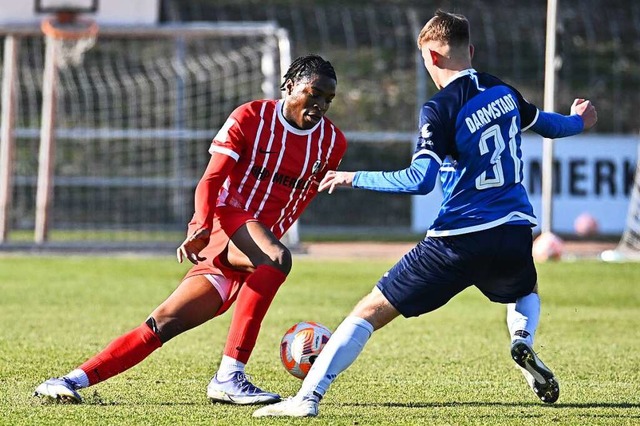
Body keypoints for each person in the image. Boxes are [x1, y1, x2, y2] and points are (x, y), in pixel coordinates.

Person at [253, 10, 598, 418]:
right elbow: (550, 124)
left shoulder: (440, 108)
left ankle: (306, 399)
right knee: (524, 291)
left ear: (432, 57)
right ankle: (522, 339)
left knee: (368, 312)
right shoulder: (502, 91)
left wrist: (352, 177)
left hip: (459, 237)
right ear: (468, 50)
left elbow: (420, 180)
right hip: (515, 230)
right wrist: (579, 120)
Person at [34, 54, 347, 405]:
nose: (320, 105)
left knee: (162, 324)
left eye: (328, 100)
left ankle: (68, 381)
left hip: (251, 247)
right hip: (227, 224)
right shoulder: (250, 117)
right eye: (314, 93)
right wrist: (199, 225)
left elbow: (299, 199)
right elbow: (211, 179)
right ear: (289, 86)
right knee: (277, 259)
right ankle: (230, 376)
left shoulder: (332, 143)